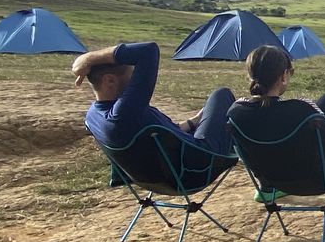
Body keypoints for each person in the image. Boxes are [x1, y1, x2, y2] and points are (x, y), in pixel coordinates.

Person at [72, 40, 235, 184]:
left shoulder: (93, 116)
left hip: (156, 178)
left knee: (213, 109)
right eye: (132, 75)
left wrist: (193, 121)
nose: (136, 79)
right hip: (196, 169)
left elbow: (163, 138)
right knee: (221, 94)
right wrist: (86, 58)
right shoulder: (124, 113)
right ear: (110, 80)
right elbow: (149, 50)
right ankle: (259, 169)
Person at [225, 44, 325, 213]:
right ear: (284, 76)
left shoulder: (236, 112)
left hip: (272, 178)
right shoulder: (304, 110)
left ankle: (265, 188)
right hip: (318, 181)